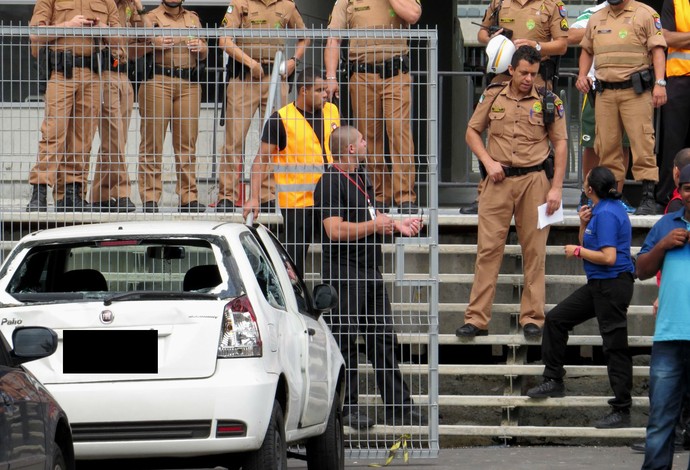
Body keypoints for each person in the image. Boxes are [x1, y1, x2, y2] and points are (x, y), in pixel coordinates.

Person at [314, 124, 425, 429]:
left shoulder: (361, 178)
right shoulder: (330, 181)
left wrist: (397, 225)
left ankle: (398, 406)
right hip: (344, 272)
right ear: (350, 149)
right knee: (346, 341)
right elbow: (333, 230)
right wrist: (375, 227)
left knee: (383, 339)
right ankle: (346, 408)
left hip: (369, 270)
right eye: (362, 141)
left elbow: (373, 218)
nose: (366, 144)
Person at [455, 45, 567, 339]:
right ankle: (477, 319)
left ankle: (532, 317)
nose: (530, 78)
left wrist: (556, 188)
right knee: (488, 250)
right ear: (511, 70)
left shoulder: (548, 101)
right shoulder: (493, 96)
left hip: (535, 183)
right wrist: (488, 162)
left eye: (534, 73)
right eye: (524, 73)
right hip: (498, 181)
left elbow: (562, 143)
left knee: (534, 252)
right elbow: (471, 132)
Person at [526, 166, 635, 429]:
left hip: (612, 285)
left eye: (584, 183)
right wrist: (583, 224)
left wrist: (576, 252)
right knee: (556, 319)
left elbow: (608, 258)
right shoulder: (600, 210)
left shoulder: (608, 213)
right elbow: (589, 245)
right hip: (599, 284)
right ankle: (554, 379)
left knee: (614, 345)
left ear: (589, 190)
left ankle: (622, 409)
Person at [459, 0, 569, 215]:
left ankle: (543, 193)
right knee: (498, 133)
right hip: (501, 77)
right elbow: (482, 35)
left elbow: (562, 45)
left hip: (535, 80)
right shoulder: (499, 3)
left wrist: (535, 46)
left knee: (537, 135)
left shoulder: (552, 5)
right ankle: (484, 194)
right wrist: (495, 39)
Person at [324, 0, 421, 214]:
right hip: (361, 74)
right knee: (368, 137)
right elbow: (333, 39)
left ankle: (405, 196)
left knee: (398, 132)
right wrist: (331, 76)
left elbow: (413, 15)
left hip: (394, 74)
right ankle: (379, 195)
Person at [26, 0, 121, 212]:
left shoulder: (107, 2)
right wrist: (68, 25)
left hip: (92, 74)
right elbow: (35, 34)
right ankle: (39, 191)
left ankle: (71, 193)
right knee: (53, 132)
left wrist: (102, 28)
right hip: (61, 73)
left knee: (83, 136)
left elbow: (120, 41)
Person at [243, 68, 340, 275]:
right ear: (303, 91)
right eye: (319, 90)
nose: (325, 94)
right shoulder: (281, 119)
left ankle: (332, 301)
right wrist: (254, 197)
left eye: (325, 89)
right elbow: (260, 161)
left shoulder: (332, 111)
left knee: (335, 259)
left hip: (330, 199)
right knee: (294, 265)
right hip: (298, 203)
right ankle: (296, 304)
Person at [216, 0, 308, 213]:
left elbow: (306, 36)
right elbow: (225, 41)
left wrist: (294, 60)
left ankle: (266, 196)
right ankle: (227, 196)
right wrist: (250, 63)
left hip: (275, 77)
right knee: (234, 139)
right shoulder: (240, 3)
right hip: (245, 77)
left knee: (273, 140)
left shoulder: (287, 5)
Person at [576, 0, 667, 216]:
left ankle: (647, 196)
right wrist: (581, 75)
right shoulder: (596, 17)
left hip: (635, 91)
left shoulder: (645, 13)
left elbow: (657, 50)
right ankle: (610, 197)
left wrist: (660, 83)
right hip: (605, 93)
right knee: (606, 146)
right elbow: (587, 50)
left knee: (642, 142)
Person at [630, 148, 690, 454]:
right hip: (669, 336)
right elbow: (640, 270)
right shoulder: (666, 225)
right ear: (680, 190)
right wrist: (663, 246)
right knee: (660, 419)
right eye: (688, 188)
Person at [137, 0, 208, 213]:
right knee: (153, 142)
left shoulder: (193, 18)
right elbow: (134, 46)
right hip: (158, 79)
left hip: (188, 84)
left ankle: (188, 197)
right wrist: (153, 44)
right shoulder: (150, 17)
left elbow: (205, 52)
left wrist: (202, 48)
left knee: (187, 144)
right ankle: (150, 197)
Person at [568, 0, 633, 213]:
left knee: (622, 144)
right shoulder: (592, 12)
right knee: (591, 143)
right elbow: (570, 35)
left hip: (628, 86)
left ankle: (617, 197)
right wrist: (605, 27)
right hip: (597, 87)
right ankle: (587, 196)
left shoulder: (638, 12)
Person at [90, 0, 149, 213]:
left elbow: (145, 35)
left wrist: (140, 9)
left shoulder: (128, 6)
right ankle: (122, 192)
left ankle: (98, 195)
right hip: (104, 73)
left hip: (124, 74)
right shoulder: (100, 4)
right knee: (113, 137)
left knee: (116, 141)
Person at [655, 0, 690, 210]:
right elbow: (665, 37)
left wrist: (683, 39)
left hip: (679, 80)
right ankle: (666, 197)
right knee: (673, 142)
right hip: (679, 80)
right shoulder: (675, 1)